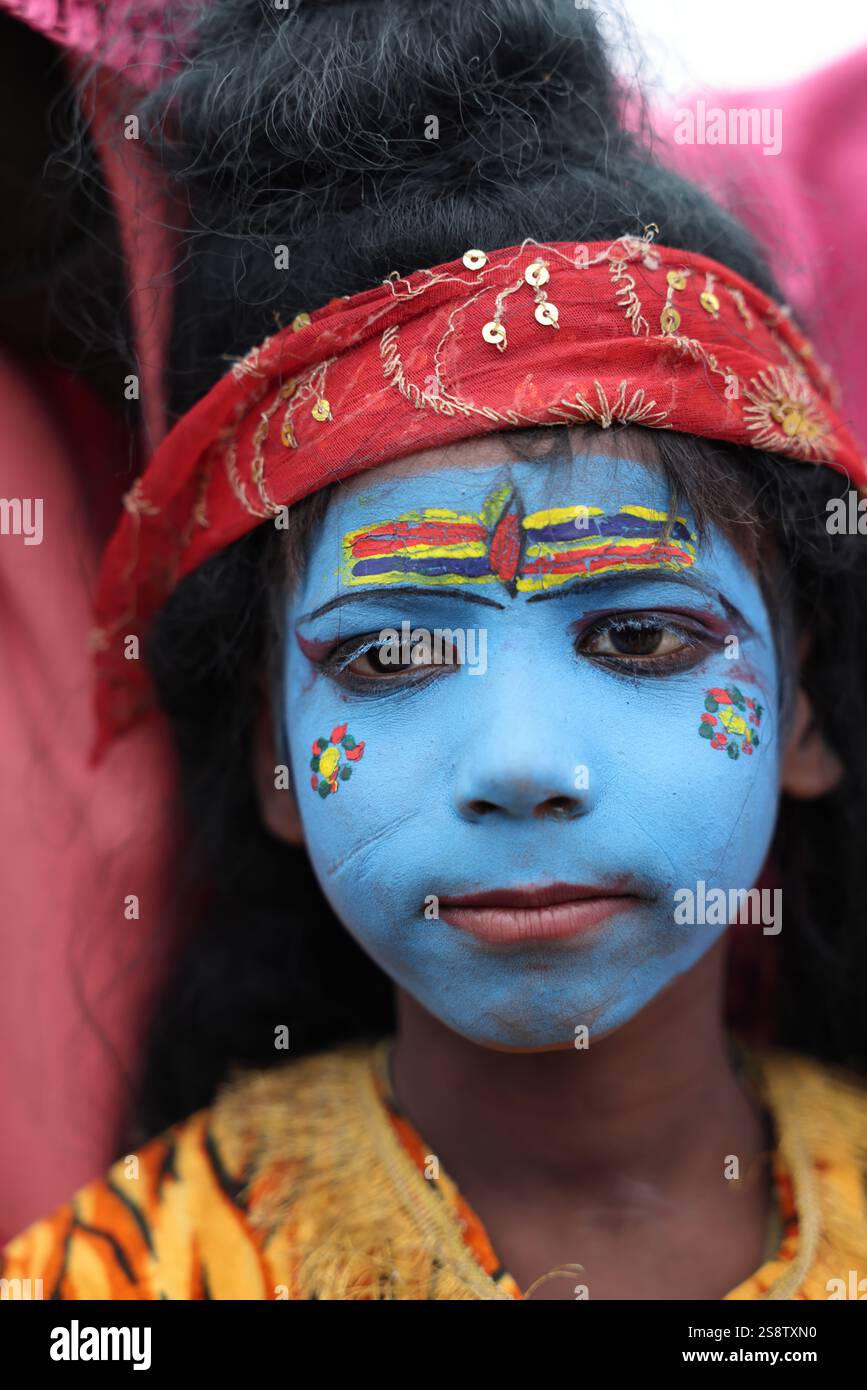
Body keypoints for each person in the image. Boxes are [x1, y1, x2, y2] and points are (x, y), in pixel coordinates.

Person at [3, 0, 867, 1300]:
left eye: (637, 634)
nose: (520, 763)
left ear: (802, 708)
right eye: (391, 655)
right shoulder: (113, 1290)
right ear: (271, 752)